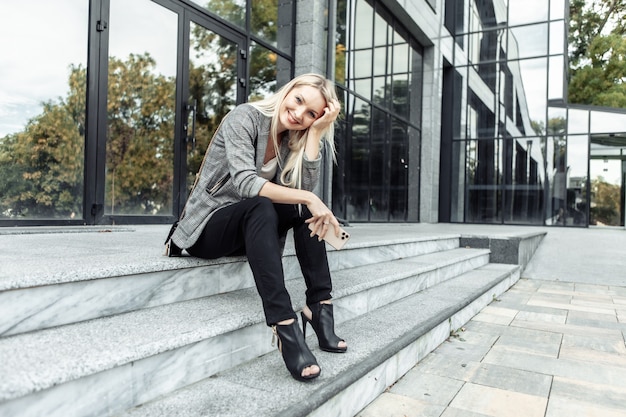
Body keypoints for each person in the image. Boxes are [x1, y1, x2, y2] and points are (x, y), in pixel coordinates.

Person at [166, 73, 347, 381]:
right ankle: (285, 325)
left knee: (302, 208)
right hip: (209, 227)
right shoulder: (244, 117)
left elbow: (302, 193)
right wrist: (309, 197)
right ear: (288, 91)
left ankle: (320, 306)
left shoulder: (292, 139)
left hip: (250, 227)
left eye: (311, 114)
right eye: (299, 100)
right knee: (266, 202)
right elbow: (246, 183)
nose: (299, 114)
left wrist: (315, 134)